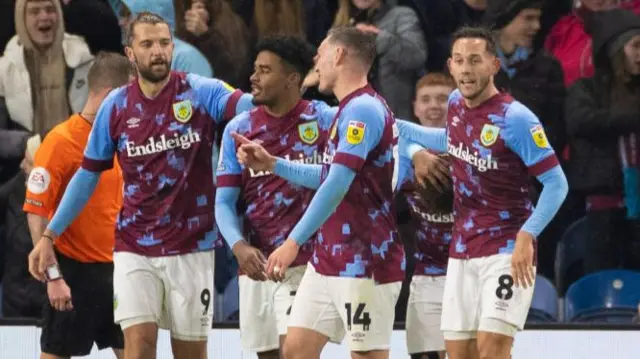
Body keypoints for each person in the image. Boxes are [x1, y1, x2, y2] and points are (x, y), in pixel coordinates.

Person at [27, 11, 253, 359]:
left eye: (164, 43)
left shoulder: (201, 90)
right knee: (139, 346)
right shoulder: (115, 107)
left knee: (191, 352)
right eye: (147, 44)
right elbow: (87, 177)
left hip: (191, 247)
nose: (158, 51)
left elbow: (249, 106)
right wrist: (49, 236)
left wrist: (276, 111)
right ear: (130, 53)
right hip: (134, 248)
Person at [233, 26, 404, 359]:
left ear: (339, 55)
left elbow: (337, 184)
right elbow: (331, 175)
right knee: (295, 352)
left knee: (366, 355)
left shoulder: (363, 110)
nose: (317, 61)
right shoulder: (347, 109)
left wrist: (293, 241)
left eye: (321, 52)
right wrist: (274, 164)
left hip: (365, 259)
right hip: (328, 258)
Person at [397, 26, 568, 359]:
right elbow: (443, 140)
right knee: (460, 354)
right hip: (461, 252)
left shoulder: (516, 118)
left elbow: (557, 183)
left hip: (506, 250)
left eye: (475, 60)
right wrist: (415, 151)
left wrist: (527, 235)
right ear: (450, 65)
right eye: (459, 60)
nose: (466, 68)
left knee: (492, 350)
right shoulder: (455, 104)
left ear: (494, 66)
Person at [215, 35, 336, 359]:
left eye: (265, 70)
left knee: (294, 354)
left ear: (292, 79)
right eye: (254, 69)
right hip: (257, 264)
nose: (253, 78)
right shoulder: (238, 129)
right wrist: (238, 246)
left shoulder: (324, 120)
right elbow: (224, 201)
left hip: (307, 263)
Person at [23, 52, 132, 359]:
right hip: (73, 272)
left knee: (137, 353)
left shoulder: (121, 141)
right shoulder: (60, 142)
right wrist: (54, 277)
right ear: (111, 96)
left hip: (120, 270)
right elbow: (36, 212)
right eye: (131, 98)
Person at [565, 8, 640, 274]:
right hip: (603, 200)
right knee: (600, 273)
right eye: (636, 46)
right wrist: (631, 119)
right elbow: (581, 121)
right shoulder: (587, 89)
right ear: (616, 49)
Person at [0, 0, 94, 185]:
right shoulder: (4, 69)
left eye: (50, 9)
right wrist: (30, 142)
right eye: (35, 12)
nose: (44, 16)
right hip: (23, 169)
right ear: (21, 18)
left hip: (78, 163)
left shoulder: (83, 59)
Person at [402, 72, 456, 359]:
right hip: (426, 272)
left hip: (468, 271)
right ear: (415, 108)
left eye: (442, 98)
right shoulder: (400, 156)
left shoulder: (472, 150)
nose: (434, 105)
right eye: (426, 99)